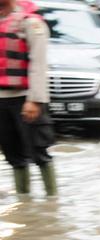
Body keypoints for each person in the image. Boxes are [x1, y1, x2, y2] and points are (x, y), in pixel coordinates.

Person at [0, 0, 54, 197]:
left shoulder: (30, 22)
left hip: (25, 98)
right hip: (2, 99)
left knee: (39, 153)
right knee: (12, 154)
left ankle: (51, 203)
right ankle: (24, 202)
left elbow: (39, 63)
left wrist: (35, 100)